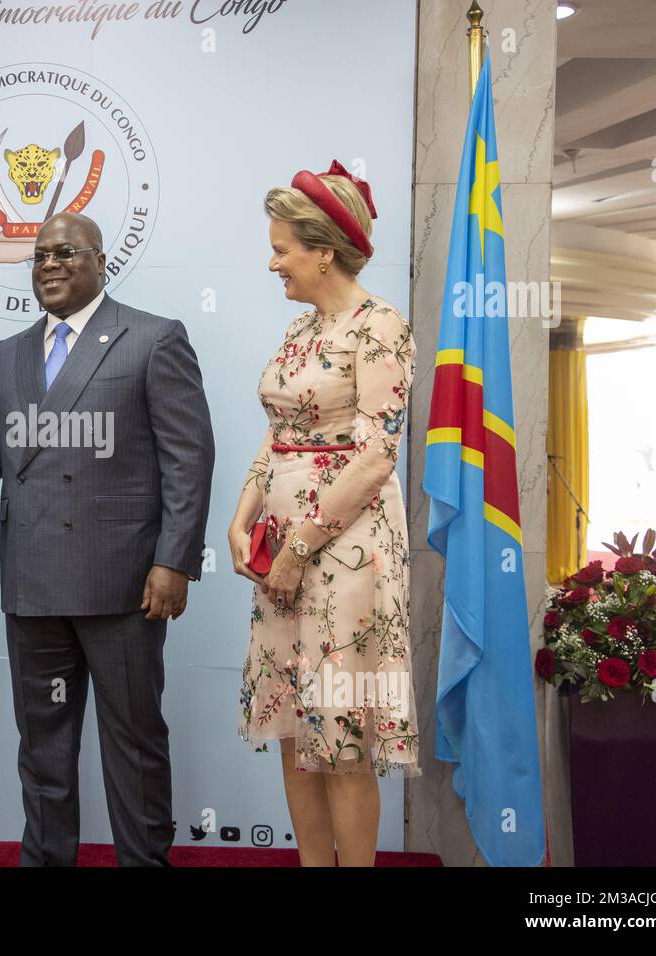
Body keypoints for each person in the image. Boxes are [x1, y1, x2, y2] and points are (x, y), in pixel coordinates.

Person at [0, 211, 215, 867]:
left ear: (100, 261)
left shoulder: (152, 338)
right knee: (43, 749)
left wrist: (173, 560)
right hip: (34, 583)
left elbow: (188, 458)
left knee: (135, 743)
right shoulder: (10, 354)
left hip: (123, 585)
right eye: (39, 257)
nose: (50, 265)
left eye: (65, 252)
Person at [227, 161, 419, 867]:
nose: (272, 260)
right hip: (282, 550)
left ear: (323, 251)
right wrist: (243, 514)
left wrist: (298, 548)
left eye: (283, 248)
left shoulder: (380, 327)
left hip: (346, 554)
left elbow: (374, 458)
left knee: (340, 732)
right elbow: (278, 434)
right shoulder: (302, 330)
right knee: (291, 722)